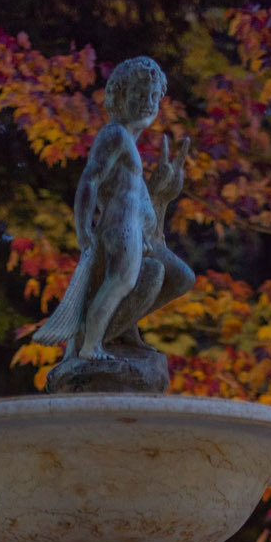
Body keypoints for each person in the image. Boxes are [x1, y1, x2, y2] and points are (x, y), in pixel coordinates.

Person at [36, 56, 194, 387]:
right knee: (120, 281)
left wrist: (163, 194)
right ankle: (91, 344)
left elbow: (144, 207)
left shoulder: (129, 143)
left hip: (138, 230)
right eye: (139, 92)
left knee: (179, 276)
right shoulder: (114, 134)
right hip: (120, 227)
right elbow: (90, 180)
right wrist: (83, 228)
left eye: (154, 95)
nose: (148, 101)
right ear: (119, 96)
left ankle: (120, 330)